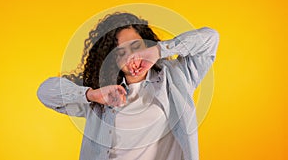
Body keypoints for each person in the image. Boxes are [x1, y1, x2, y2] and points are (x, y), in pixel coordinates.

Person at [37, 12, 219, 160]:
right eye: (120, 53)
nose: (131, 56)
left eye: (136, 46)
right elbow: (45, 91)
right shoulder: (102, 93)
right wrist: (91, 95)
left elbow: (210, 38)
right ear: (112, 60)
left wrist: (159, 51)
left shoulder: (176, 76)